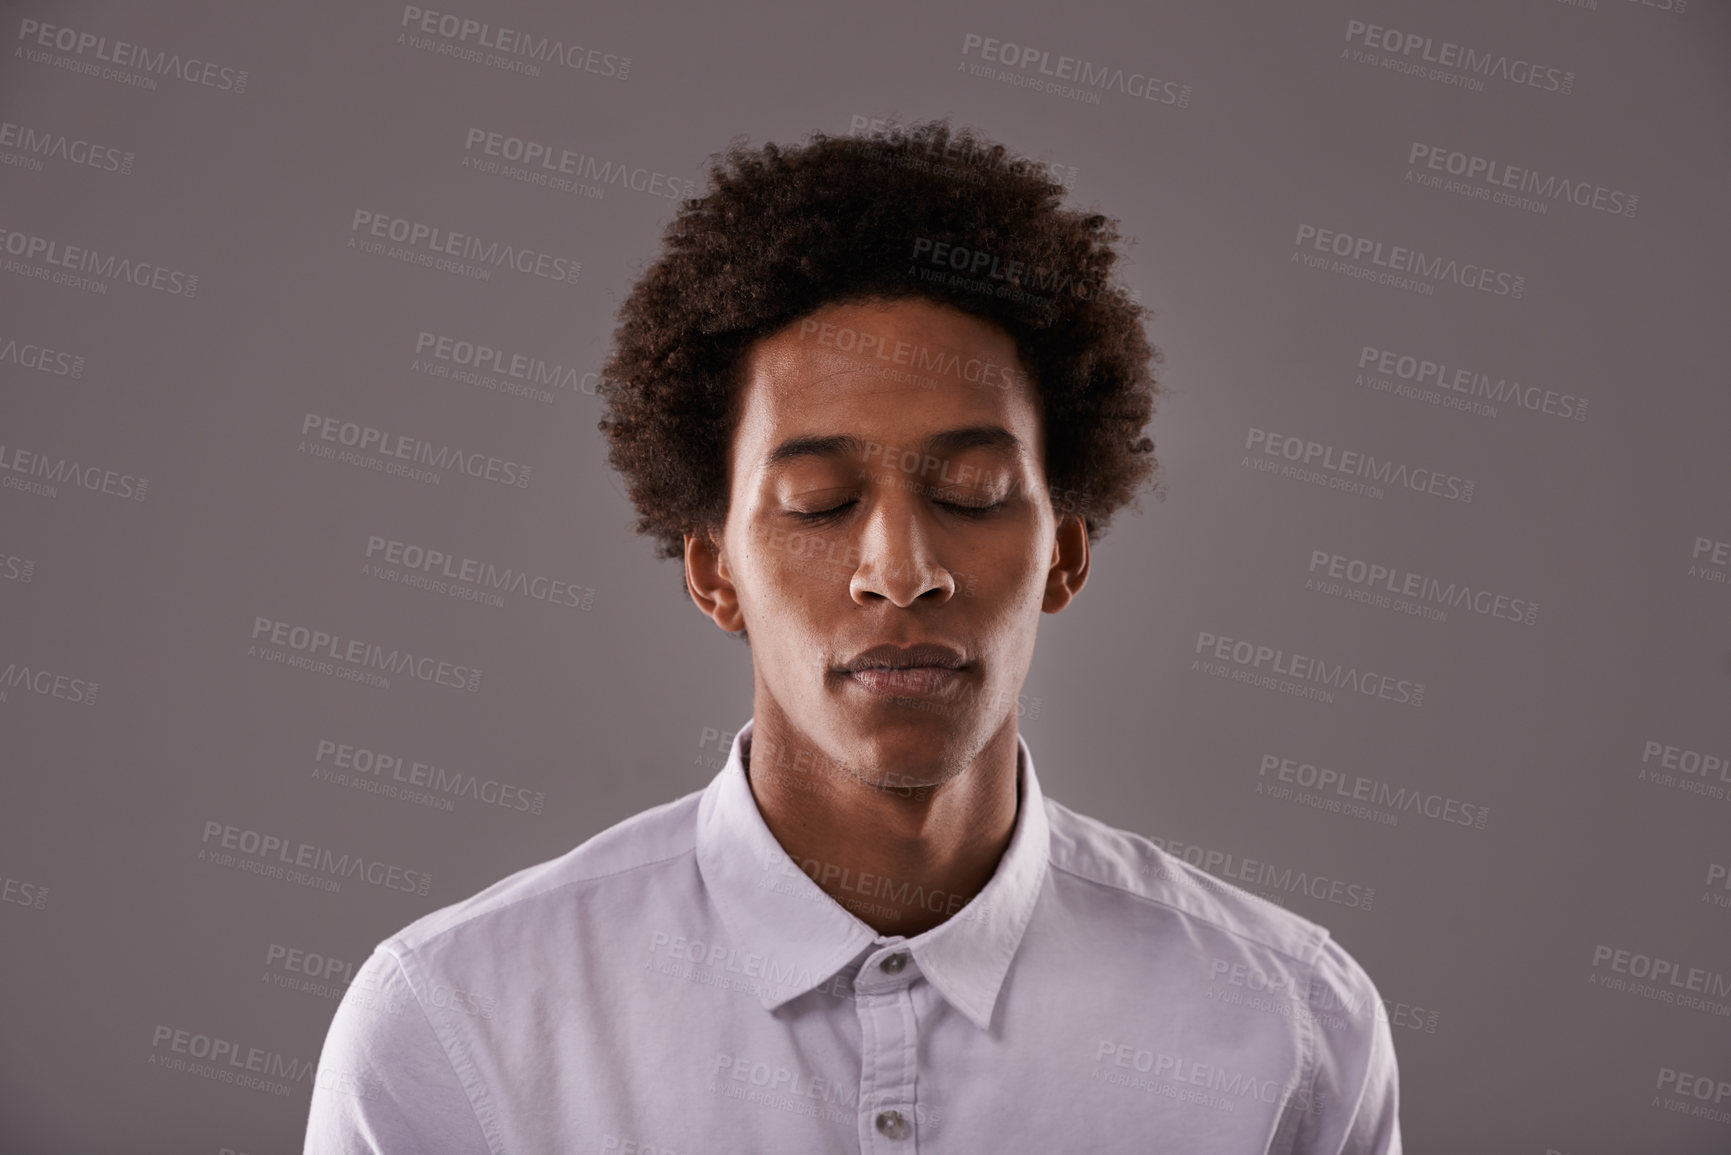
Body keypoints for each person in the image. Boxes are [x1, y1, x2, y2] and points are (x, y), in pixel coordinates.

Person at [304, 119, 1401, 1153]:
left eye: (973, 492)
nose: (900, 571)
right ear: (714, 569)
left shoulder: (1287, 1030)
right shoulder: (457, 1022)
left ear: (1064, 555)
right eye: (820, 502)